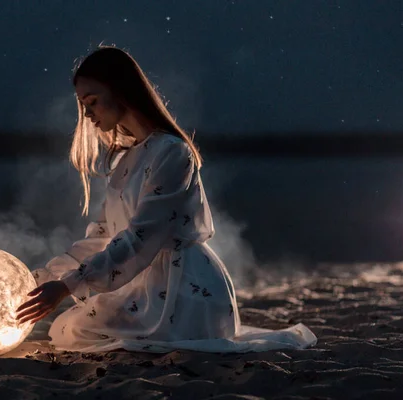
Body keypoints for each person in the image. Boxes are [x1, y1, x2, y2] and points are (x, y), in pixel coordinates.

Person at [16, 45, 316, 353]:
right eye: (83, 105)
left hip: (182, 287)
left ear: (121, 91)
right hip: (144, 283)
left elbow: (141, 235)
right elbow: (104, 236)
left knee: (79, 333)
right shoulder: (126, 160)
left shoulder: (172, 152)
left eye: (92, 101)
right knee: (68, 329)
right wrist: (42, 278)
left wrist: (67, 286)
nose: (88, 114)